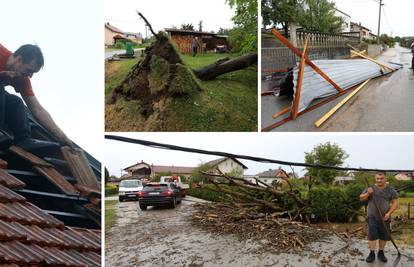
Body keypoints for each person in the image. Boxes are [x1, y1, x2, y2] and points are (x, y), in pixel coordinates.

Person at [0, 43, 73, 150]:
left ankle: (23, 140)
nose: (30, 76)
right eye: (29, 70)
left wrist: (62, 136)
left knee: (16, 102)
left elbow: (37, 109)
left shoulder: (22, 78)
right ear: (19, 59)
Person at [359, 172, 398, 263]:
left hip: (385, 217)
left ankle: (381, 252)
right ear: (375, 179)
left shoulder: (390, 190)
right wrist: (368, 194)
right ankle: (372, 253)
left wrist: (389, 213)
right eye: (377, 178)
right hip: (372, 216)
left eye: (381, 178)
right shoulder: (370, 188)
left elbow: (395, 203)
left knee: (384, 236)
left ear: (385, 179)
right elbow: (361, 198)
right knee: (372, 236)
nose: (379, 180)